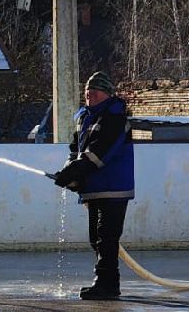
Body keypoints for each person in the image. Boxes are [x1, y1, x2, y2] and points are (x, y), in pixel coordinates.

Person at [50, 72, 135, 300]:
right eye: (88, 92)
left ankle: (107, 285)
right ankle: (106, 282)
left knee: (107, 238)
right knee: (96, 238)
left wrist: (74, 172)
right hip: (94, 188)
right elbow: (76, 150)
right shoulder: (85, 118)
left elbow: (100, 152)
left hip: (114, 187)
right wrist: (70, 172)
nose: (90, 96)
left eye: (95, 92)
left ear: (107, 94)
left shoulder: (115, 118)